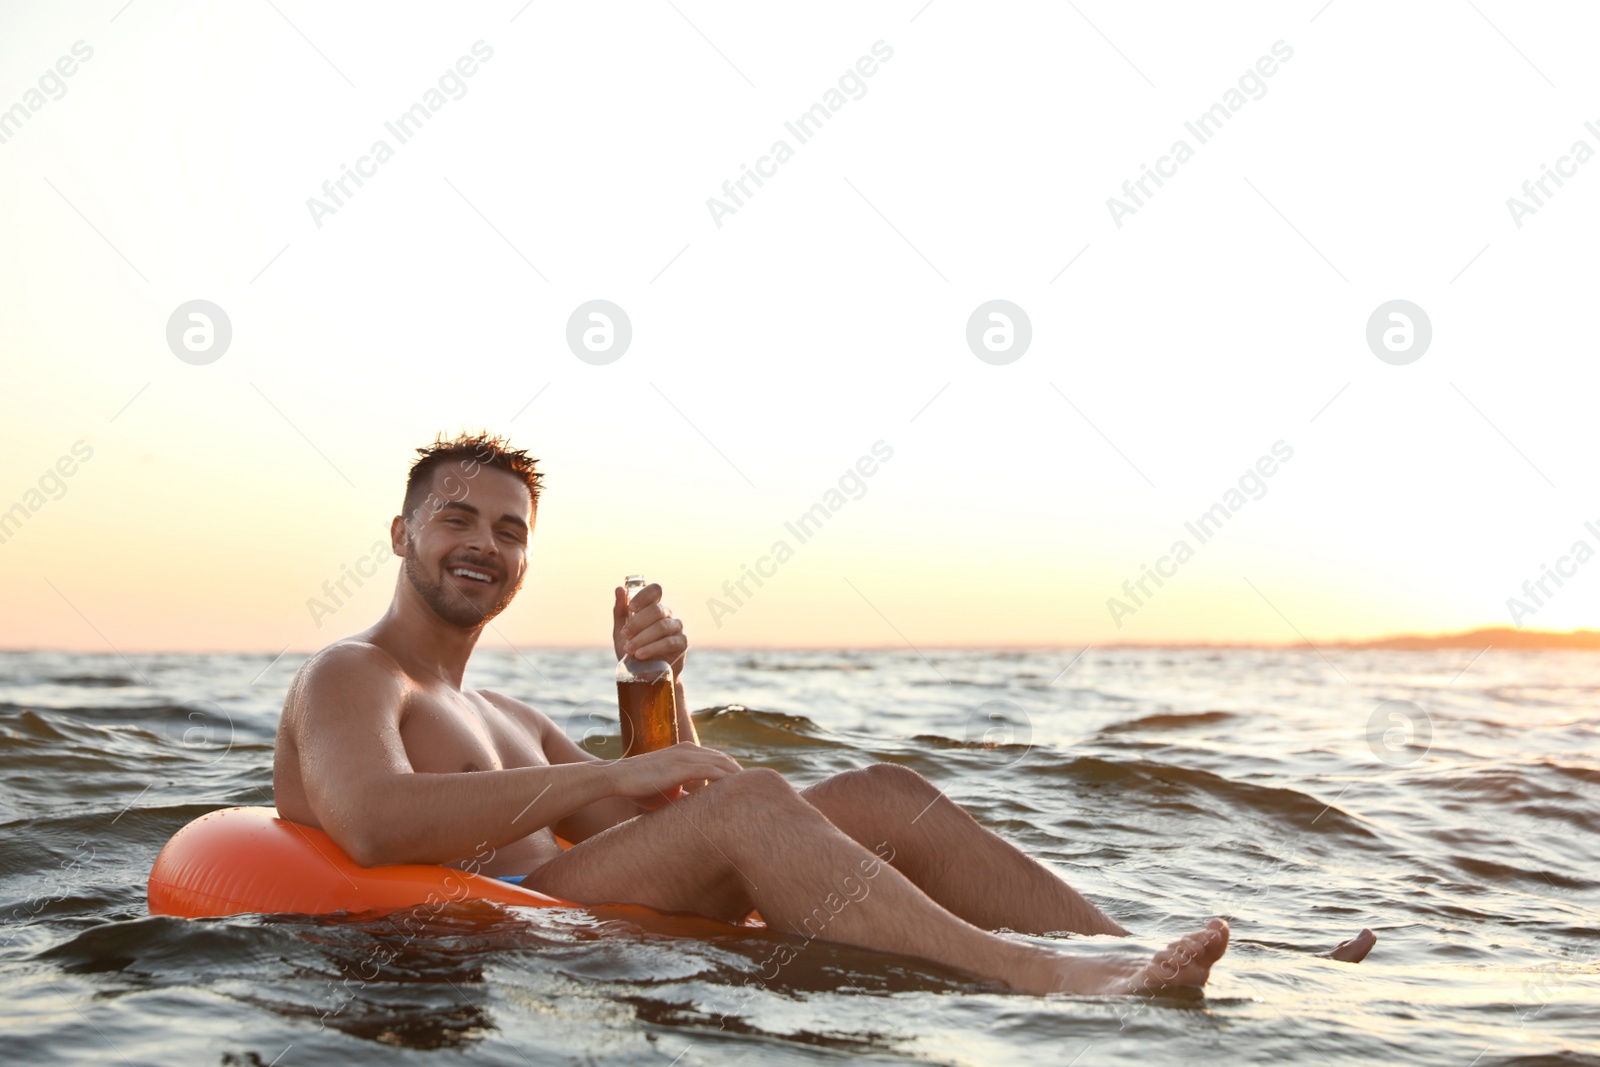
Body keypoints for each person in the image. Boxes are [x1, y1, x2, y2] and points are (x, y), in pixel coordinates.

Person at [273, 432, 1362, 997]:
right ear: (400, 533)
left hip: (571, 898)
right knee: (752, 801)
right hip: (488, 927)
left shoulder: (506, 711)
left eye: (509, 529)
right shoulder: (354, 674)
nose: (484, 541)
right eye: (455, 516)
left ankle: (1134, 950)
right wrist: (612, 774)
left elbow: (661, 824)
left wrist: (652, 689)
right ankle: (1045, 977)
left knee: (883, 791)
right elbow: (369, 820)